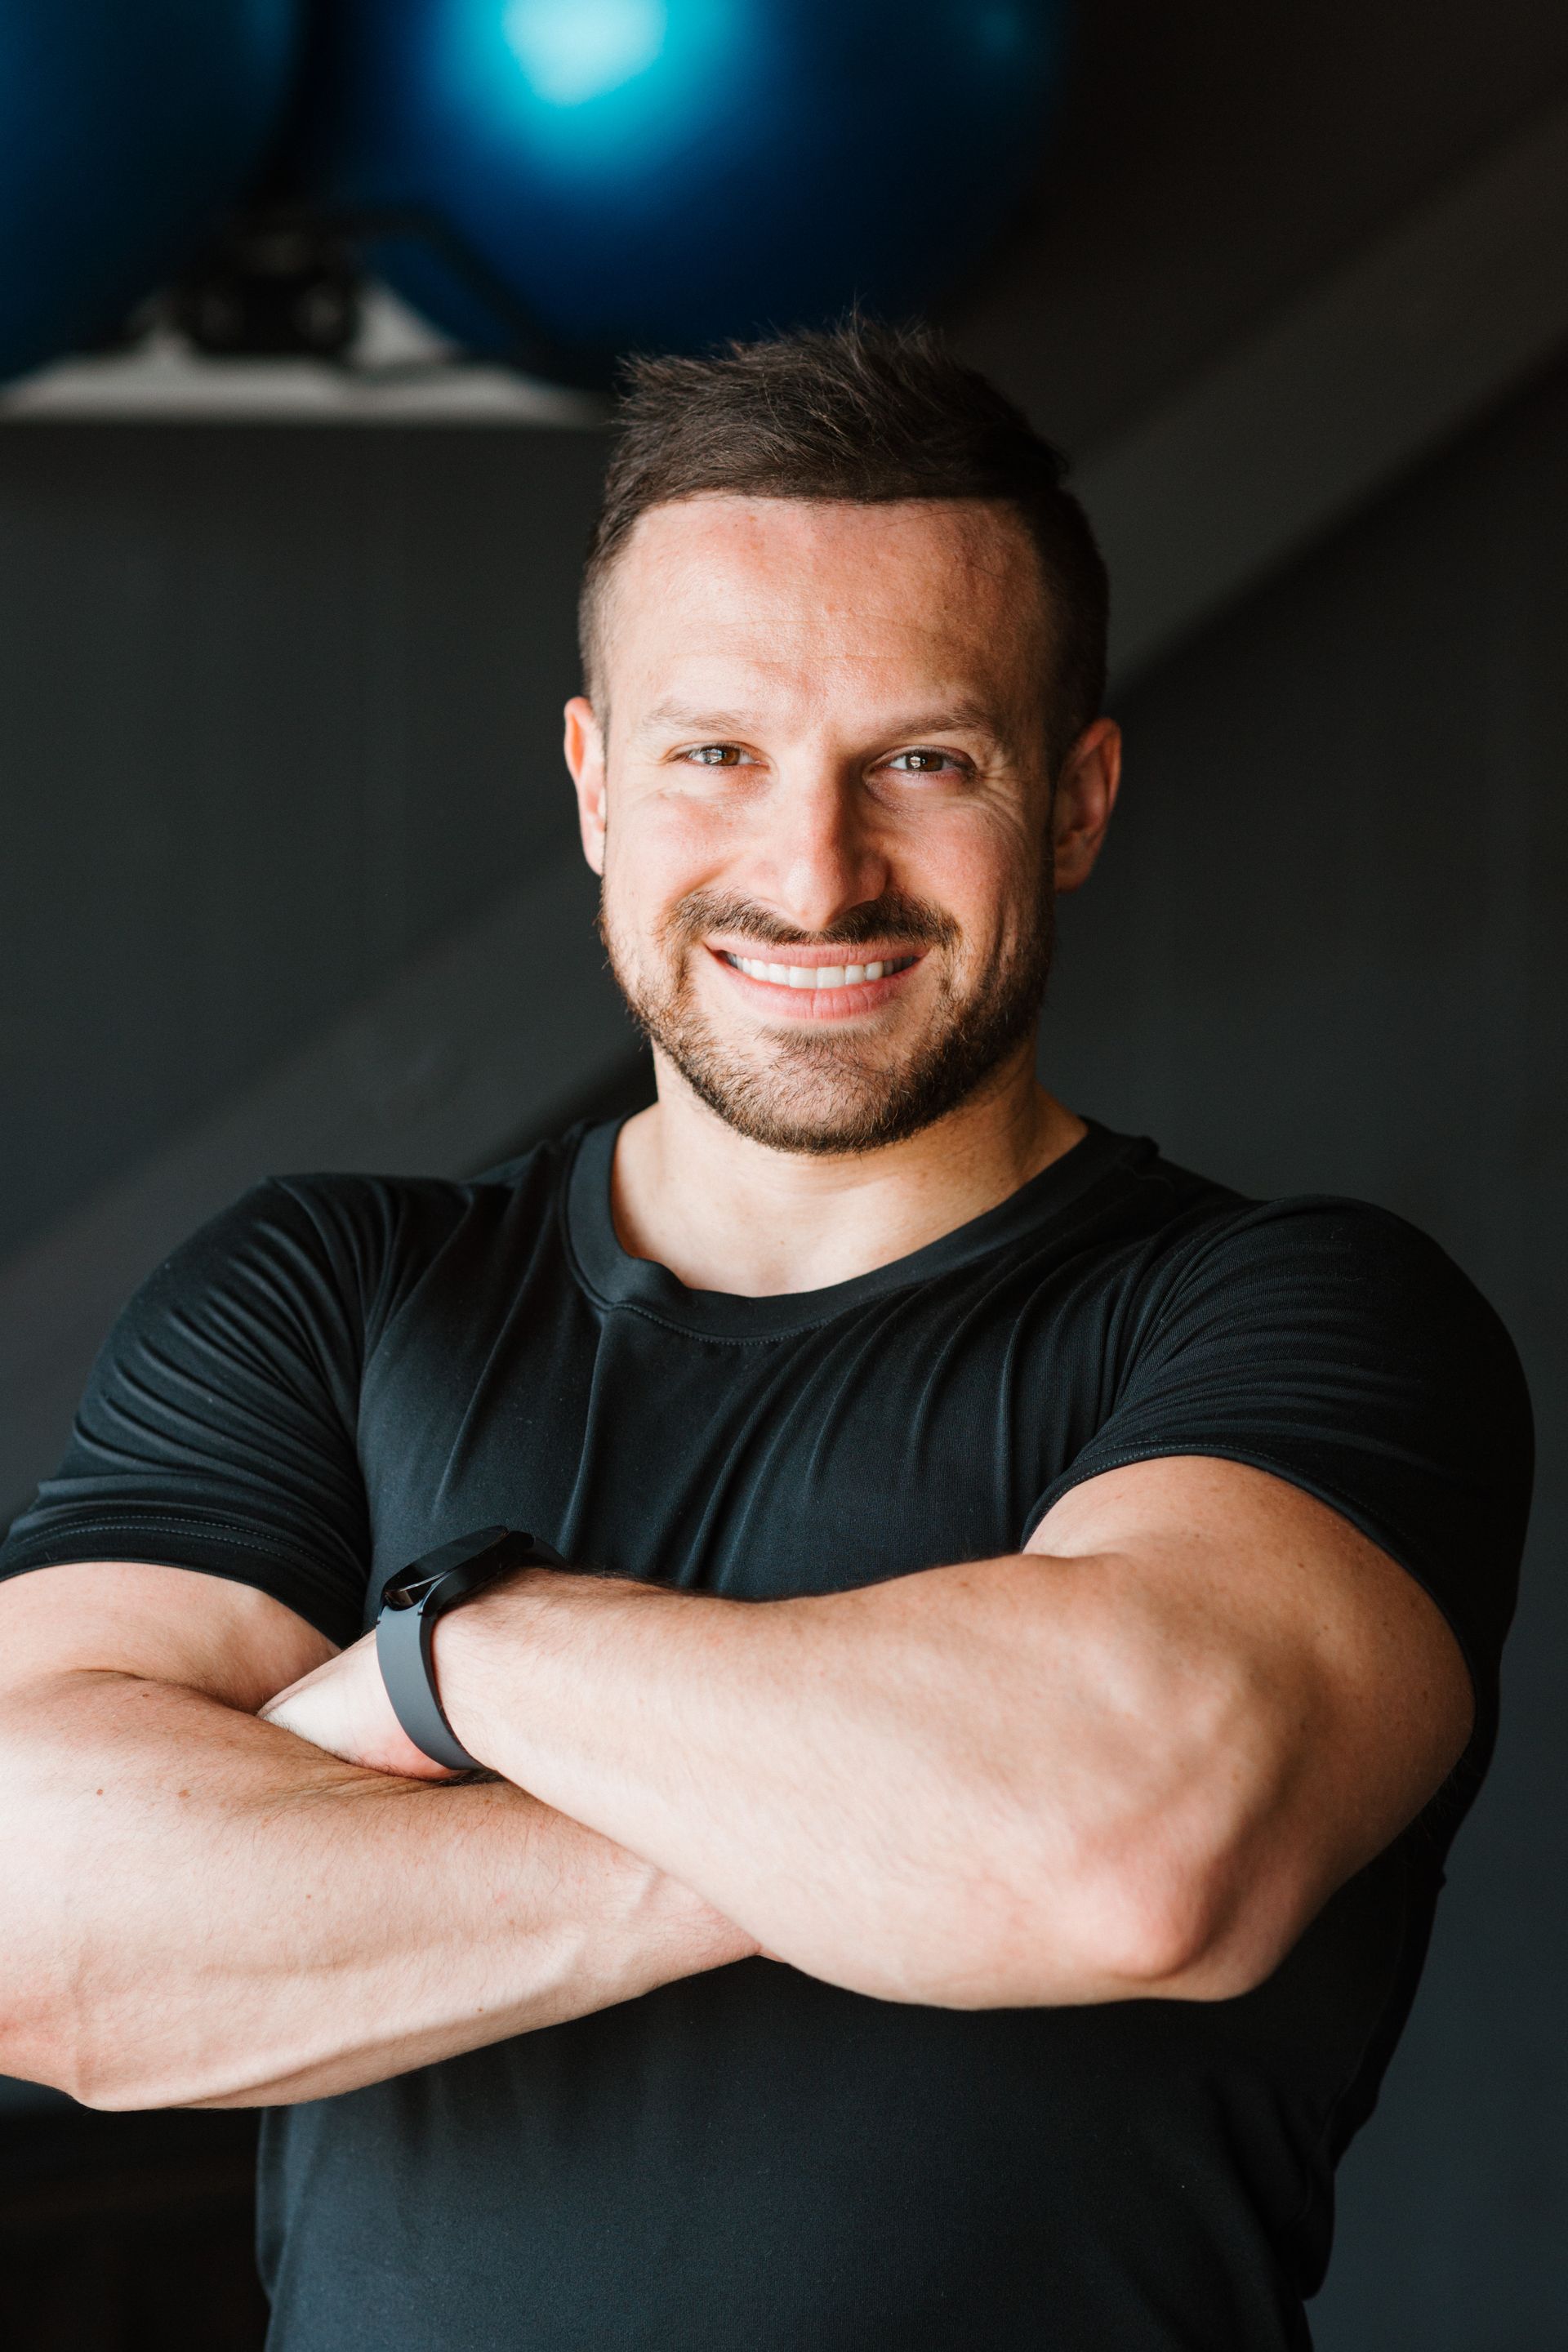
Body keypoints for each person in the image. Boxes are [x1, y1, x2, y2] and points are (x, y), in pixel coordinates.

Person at [0, 322, 1532, 2352]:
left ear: (1073, 799)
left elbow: (1129, 1847)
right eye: (717, 753)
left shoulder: (1300, 1318)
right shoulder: (331, 1295)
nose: (814, 874)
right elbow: (44, 1942)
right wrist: (895, 1842)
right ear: (593, 786)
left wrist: (445, 1657)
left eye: (922, 759)